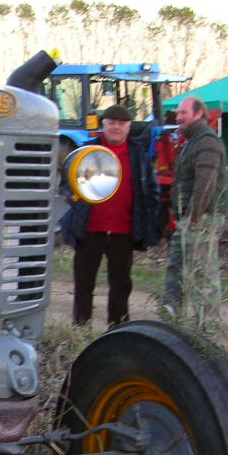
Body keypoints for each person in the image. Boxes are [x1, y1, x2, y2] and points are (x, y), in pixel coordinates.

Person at [60, 104, 160, 328]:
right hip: (89, 229)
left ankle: (117, 330)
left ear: (128, 127)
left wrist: (149, 222)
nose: (116, 127)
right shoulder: (86, 152)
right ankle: (80, 329)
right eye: (111, 123)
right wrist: (72, 214)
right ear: (103, 125)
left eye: (121, 124)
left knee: (121, 284)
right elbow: (66, 186)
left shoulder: (139, 156)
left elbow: (151, 192)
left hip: (123, 231)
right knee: (84, 283)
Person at [161, 96, 228, 329]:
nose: (178, 117)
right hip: (191, 218)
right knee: (176, 270)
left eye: (184, 113)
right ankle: (171, 323)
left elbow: (206, 182)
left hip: (203, 217)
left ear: (199, 114)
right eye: (178, 113)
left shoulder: (206, 142)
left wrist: (194, 217)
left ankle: (206, 332)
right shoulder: (191, 141)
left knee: (202, 275)